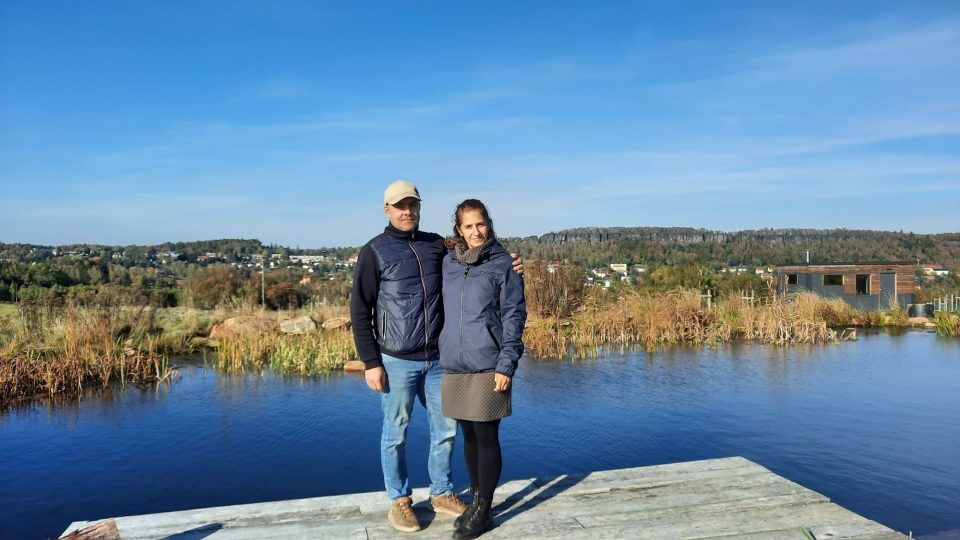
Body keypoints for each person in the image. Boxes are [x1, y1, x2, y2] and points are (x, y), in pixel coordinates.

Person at [350, 180, 521, 533]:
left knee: (446, 430)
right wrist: (370, 361)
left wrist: (510, 260)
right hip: (395, 359)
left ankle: (441, 492)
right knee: (395, 433)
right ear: (387, 210)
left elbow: (481, 256)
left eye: (412, 205)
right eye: (400, 206)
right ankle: (399, 500)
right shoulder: (375, 251)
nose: (407, 211)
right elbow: (359, 309)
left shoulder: (436, 246)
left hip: (440, 359)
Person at [439, 199, 526, 540]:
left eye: (480, 224)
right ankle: (476, 503)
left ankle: (484, 510)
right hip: (456, 365)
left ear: (488, 223)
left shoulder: (504, 264)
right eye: (468, 226)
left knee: (487, 436)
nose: (476, 232)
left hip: (490, 363)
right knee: (469, 436)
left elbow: (514, 315)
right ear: (458, 230)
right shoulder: (448, 262)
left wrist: (507, 363)